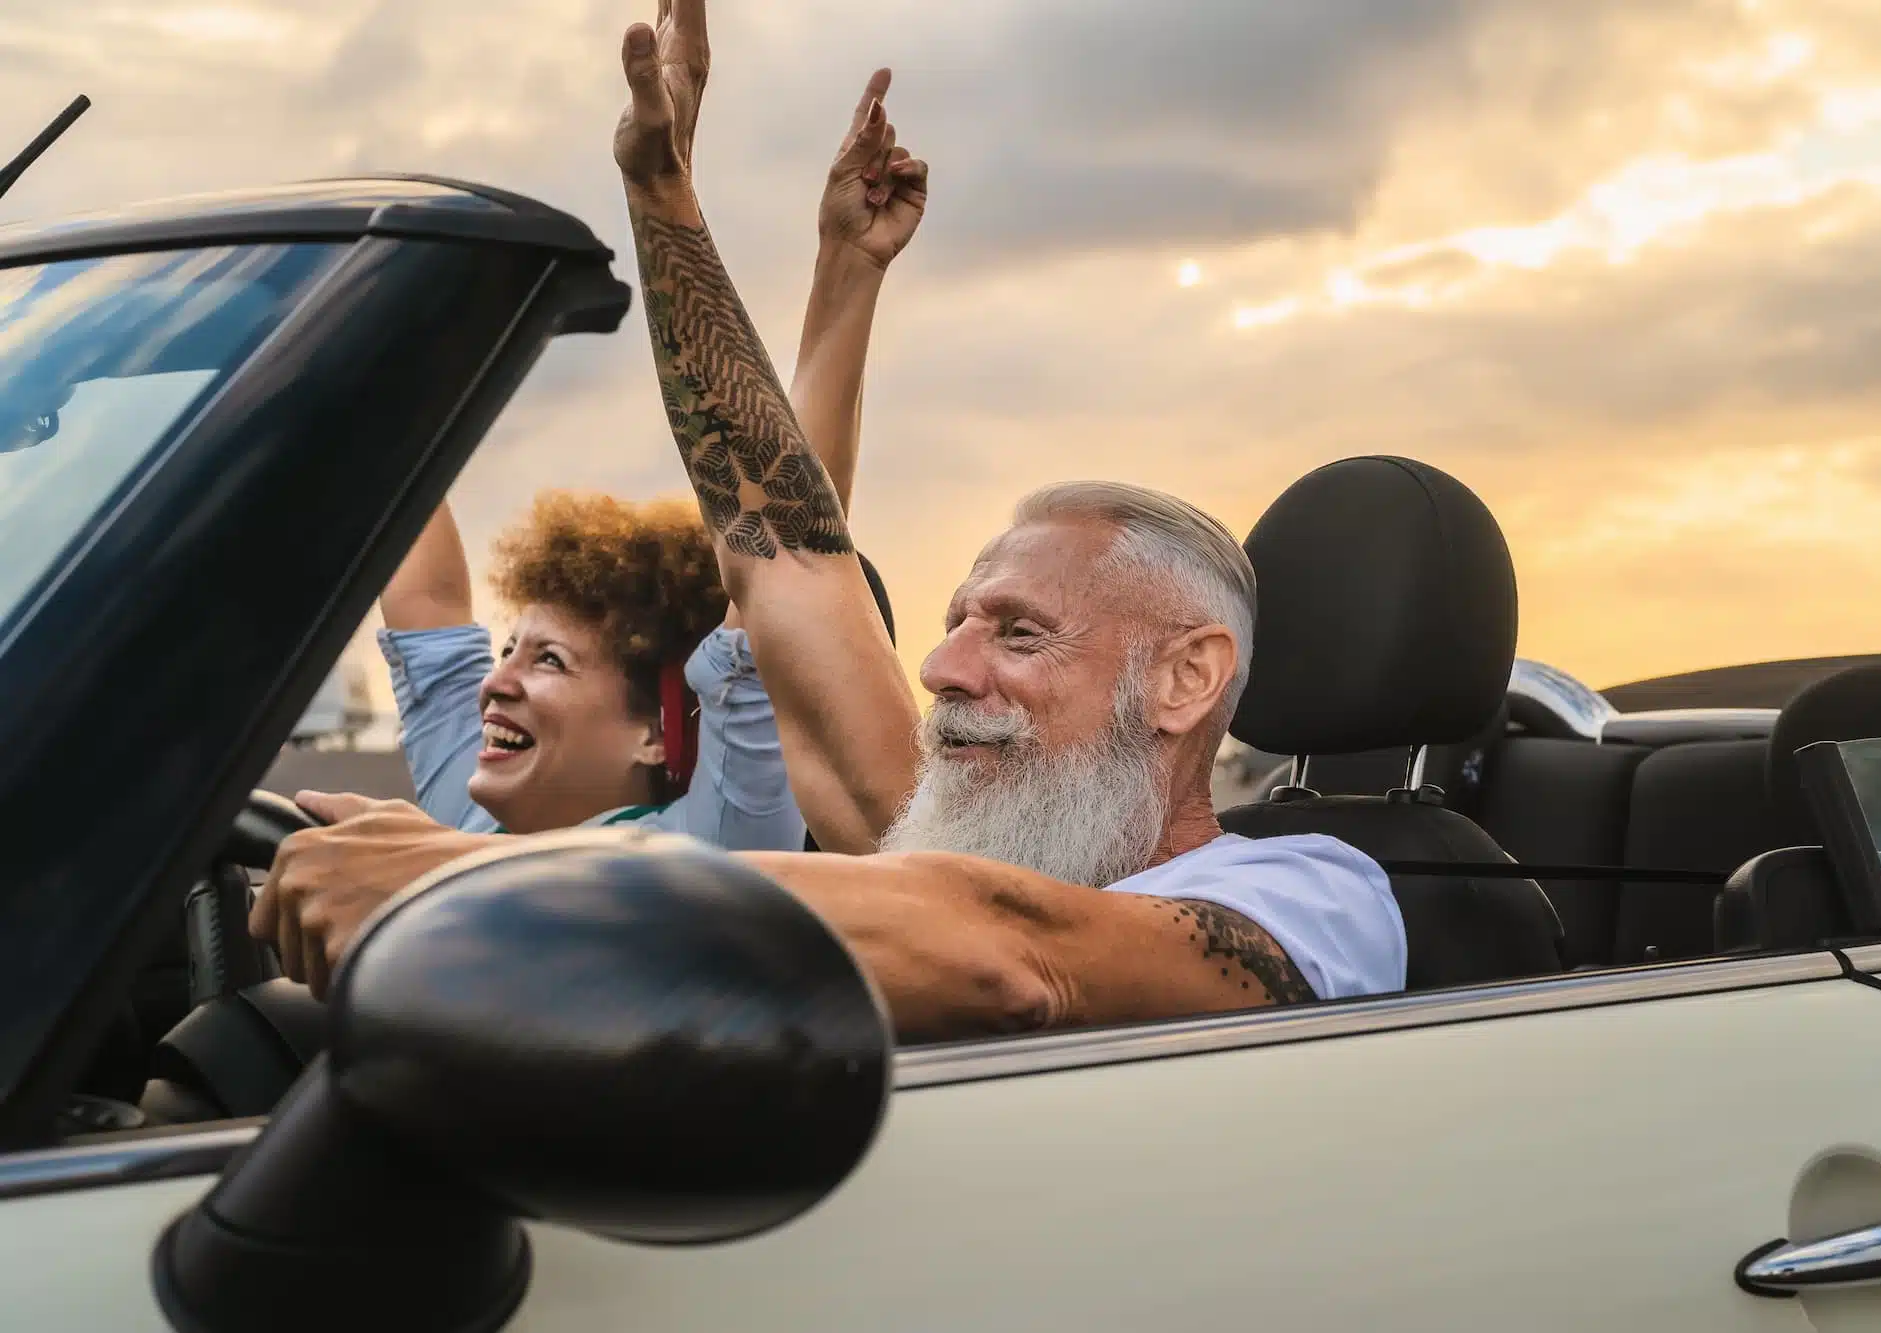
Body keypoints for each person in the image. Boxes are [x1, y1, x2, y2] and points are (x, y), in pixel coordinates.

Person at [256, 0, 1405, 1039]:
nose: (943, 665)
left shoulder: (1310, 895)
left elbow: (1007, 949)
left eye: (1016, 634)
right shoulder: (925, 841)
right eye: (959, 622)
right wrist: (664, 197)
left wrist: (470, 882)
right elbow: (786, 561)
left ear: (1184, 678)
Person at [252, 52, 929, 993]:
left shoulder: (721, 839)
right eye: (512, 649)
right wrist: (332, 339)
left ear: (659, 734)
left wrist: (845, 270)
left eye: (548, 661)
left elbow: (782, 540)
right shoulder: (468, 805)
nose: (496, 684)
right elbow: (428, 594)